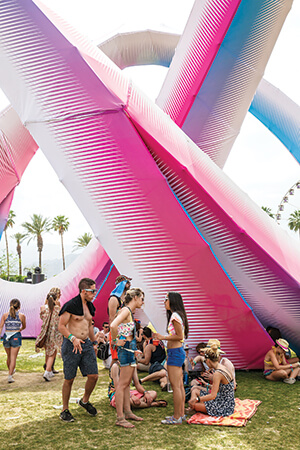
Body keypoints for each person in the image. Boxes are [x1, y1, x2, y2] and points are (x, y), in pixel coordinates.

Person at [58, 278, 99, 422]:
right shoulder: (71, 305)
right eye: (92, 291)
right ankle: (65, 410)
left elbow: (89, 326)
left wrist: (94, 342)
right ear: (83, 291)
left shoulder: (89, 306)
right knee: (69, 378)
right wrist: (72, 338)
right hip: (71, 344)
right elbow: (61, 326)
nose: (94, 293)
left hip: (86, 344)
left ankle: (85, 401)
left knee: (93, 376)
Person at [110, 288, 145, 428]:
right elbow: (113, 325)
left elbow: (125, 332)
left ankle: (128, 412)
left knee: (126, 385)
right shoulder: (125, 311)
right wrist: (115, 340)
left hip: (128, 350)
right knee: (122, 385)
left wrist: (133, 348)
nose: (143, 302)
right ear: (135, 297)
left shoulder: (127, 311)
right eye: (142, 298)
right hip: (125, 350)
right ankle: (120, 418)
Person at [153, 291, 189, 425]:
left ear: (173, 300)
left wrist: (163, 337)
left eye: (166, 299)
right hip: (177, 352)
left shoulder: (175, 316)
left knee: (176, 386)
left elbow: (179, 336)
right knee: (179, 385)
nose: (164, 302)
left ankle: (176, 417)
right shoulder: (178, 315)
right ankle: (181, 414)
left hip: (175, 352)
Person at [188, 341, 235, 417]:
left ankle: (192, 407)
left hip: (223, 406)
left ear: (208, 361)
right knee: (195, 390)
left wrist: (197, 399)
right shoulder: (222, 367)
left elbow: (213, 395)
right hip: (225, 401)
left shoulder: (218, 373)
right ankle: (192, 407)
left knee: (195, 403)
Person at [36, 287, 63, 381]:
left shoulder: (43, 308)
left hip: (45, 332)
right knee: (53, 352)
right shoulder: (57, 307)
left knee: (48, 351)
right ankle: (48, 371)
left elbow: (42, 318)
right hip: (54, 332)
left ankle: (49, 369)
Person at [0, 299, 26, 383]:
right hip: (16, 336)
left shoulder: (5, 315)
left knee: (9, 357)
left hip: (6, 336)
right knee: (13, 357)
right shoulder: (22, 316)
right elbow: (24, 326)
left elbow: (1, 327)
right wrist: (20, 329)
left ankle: (10, 372)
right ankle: (10, 376)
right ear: (19, 307)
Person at [108, 275, 132, 365]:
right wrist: (115, 337)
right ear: (122, 284)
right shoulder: (114, 299)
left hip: (124, 331)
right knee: (115, 358)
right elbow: (112, 319)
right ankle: (112, 378)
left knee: (124, 357)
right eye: (128, 282)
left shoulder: (125, 299)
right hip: (116, 331)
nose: (130, 284)